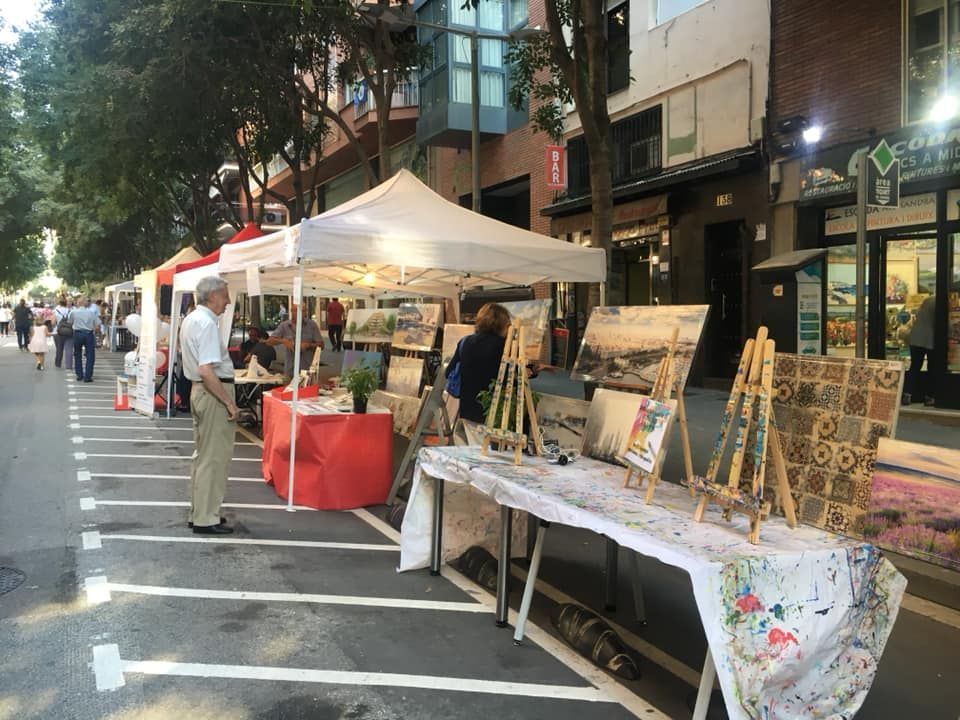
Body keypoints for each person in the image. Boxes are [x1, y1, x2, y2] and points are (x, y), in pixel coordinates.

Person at [179, 276, 238, 535]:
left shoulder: (192, 319)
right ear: (212, 296)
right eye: (224, 295)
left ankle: (201, 512)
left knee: (203, 457)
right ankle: (206, 517)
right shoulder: (206, 323)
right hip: (213, 392)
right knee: (213, 458)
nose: (227, 301)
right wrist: (229, 403)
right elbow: (207, 369)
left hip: (200, 392)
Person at [452, 303, 512, 423]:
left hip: (467, 409)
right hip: (496, 411)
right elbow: (511, 378)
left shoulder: (465, 342)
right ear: (502, 324)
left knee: (473, 441)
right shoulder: (505, 346)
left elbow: (449, 372)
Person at [267, 304, 324, 377]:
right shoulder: (284, 325)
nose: (300, 313)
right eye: (296, 311)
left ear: (306, 312)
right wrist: (283, 341)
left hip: (307, 370)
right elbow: (269, 341)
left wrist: (309, 345)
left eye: (303, 311)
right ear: (292, 311)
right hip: (290, 369)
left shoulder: (312, 325)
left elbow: (321, 345)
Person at [904, 294, 936, 406]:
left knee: (915, 366)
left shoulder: (928, 300)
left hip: (916, 337)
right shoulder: (941, 301)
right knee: (932, 367)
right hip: (930, 339)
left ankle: (907, 394)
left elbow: (918, 315)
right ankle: (929, 397)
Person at [71, 297, 100, 382]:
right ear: (85, 303)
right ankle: (88, 376)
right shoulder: (91, 313)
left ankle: (79, 374)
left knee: (77, 354)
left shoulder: (73, 312)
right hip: (88, 334)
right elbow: (97, 325)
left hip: (77, 334)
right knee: (90, 355)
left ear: (78, 303)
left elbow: (70, 322)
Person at [52, 297, 73, 369]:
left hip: (58, 332)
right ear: (66, 303)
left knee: (59, 348)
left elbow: (53, 323)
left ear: (59, 303)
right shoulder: (70, 311)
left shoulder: (56, 311)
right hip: (69, 331)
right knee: (69, 348)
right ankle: (69, 365)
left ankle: (58, 363)